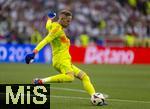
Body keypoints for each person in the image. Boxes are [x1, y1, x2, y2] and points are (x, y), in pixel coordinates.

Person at [25, 10, 107, 105]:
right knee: (70, 77)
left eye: (70, 21)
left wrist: (49, 18)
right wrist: (34, 53)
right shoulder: (57, 30)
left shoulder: (54, 26)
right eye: (68, 21)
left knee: (85, 77)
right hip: (61, 60)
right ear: (62, 19)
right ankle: (40, 81)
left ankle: (94, 96)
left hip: (66, 60)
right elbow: (45, 40)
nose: (69, 23)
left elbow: (48, 26)